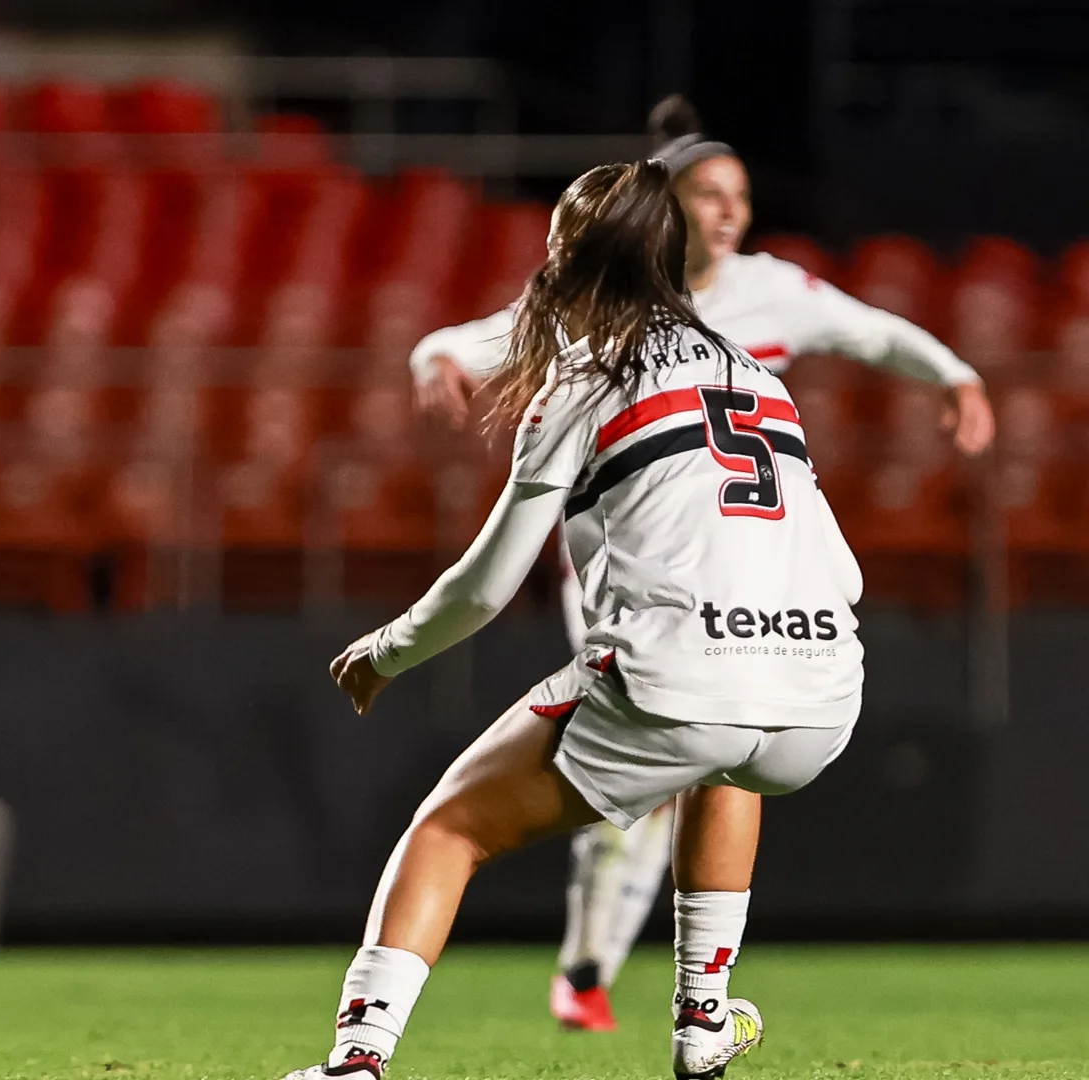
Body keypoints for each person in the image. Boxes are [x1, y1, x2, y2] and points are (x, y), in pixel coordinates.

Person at [408, 95, 995, 1032]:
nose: (726, 212)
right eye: (704, 195)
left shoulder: (767, 295)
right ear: (662, 213)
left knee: (672, 760)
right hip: (641, 585)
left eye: (738, 195)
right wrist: (436, 348)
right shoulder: (629, 319)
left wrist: (955, 374)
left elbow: (877, 332)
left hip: (714, 583)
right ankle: (646, 986)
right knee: (686, 766)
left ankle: (599, 975)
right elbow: (483, 335)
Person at [285, 159, 864, 1080]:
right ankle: (703, 1022)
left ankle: (357, 1060)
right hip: (822, 696)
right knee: (727, 758)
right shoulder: (762, 378)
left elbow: (485, 585)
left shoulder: (589, 376)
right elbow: (844, 571)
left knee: (448, 831)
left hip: (683, 678)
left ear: (564, 258)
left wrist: (387, 653)